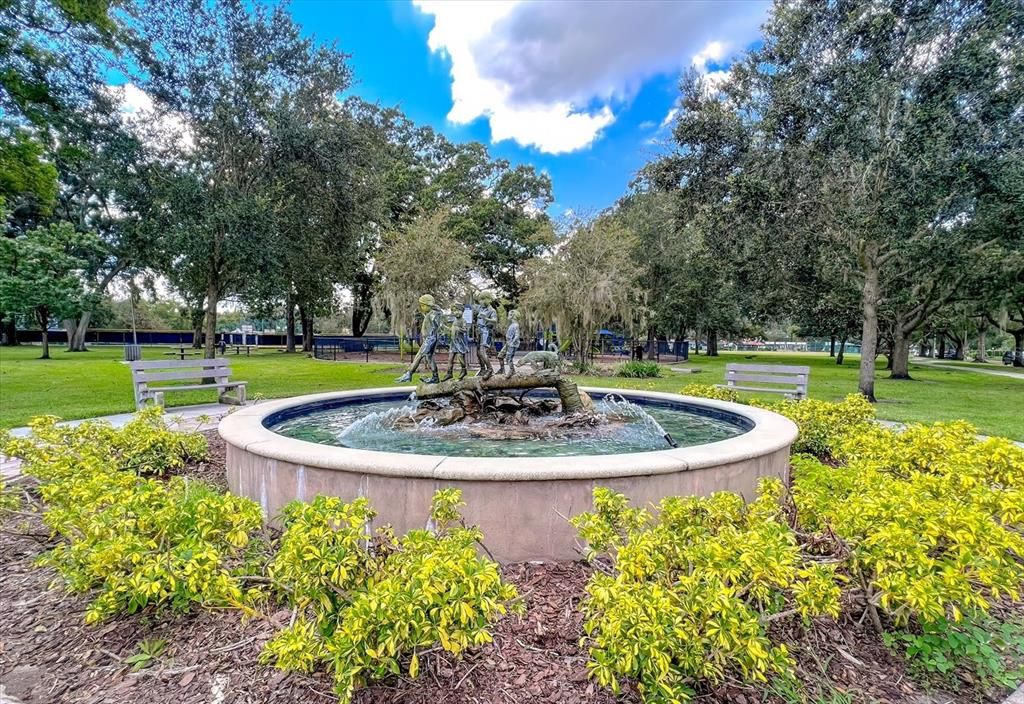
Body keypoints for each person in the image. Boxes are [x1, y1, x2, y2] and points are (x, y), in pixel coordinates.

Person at [395, 294, 444, 384]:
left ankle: (409, 373)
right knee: (429, 357)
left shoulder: (434, 314)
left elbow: (437, 324)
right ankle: (435, 377)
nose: (422, 308)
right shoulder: (431, 313)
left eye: (423, 305)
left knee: (419, 355)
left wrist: (431, 335)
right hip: (431, 338)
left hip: (430, 338)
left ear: (429, 305)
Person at [472, 291, 498, 380]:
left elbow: (495, 320)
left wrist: (486, 318)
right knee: (478, 352)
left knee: (483, 352)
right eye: (480, 300)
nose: (481, 302)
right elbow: (474, 307)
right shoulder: (481, 309)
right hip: (479, 331)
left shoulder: (492, 310)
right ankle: (482, 369)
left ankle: (490, 369)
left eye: (483, 299)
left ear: (489, 300)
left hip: (486, 331)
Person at [441, 304, 469, 382]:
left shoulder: (463, 321)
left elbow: (465, 330)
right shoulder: (455, 321)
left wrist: (457, 328)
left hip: (460, 343)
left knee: (460, 357)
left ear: (462, 312)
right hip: (453, 343)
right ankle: (449, 373)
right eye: (454, 311)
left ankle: (464, 370)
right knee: (450, 359)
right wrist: (444, 327)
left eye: (458, 310)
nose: (456, 312)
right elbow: (451, 329)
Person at [497, 309, 521, 377]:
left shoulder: (516, 325)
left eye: (509, 315)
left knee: (508, 358)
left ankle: (511, 371)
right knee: (500, 356)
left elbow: (517, 336)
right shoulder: (512, 325)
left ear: (513, 316)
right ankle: (502, 370)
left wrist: (512, 343)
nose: (508, 316)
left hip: (512, 344)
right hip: (508, 343)